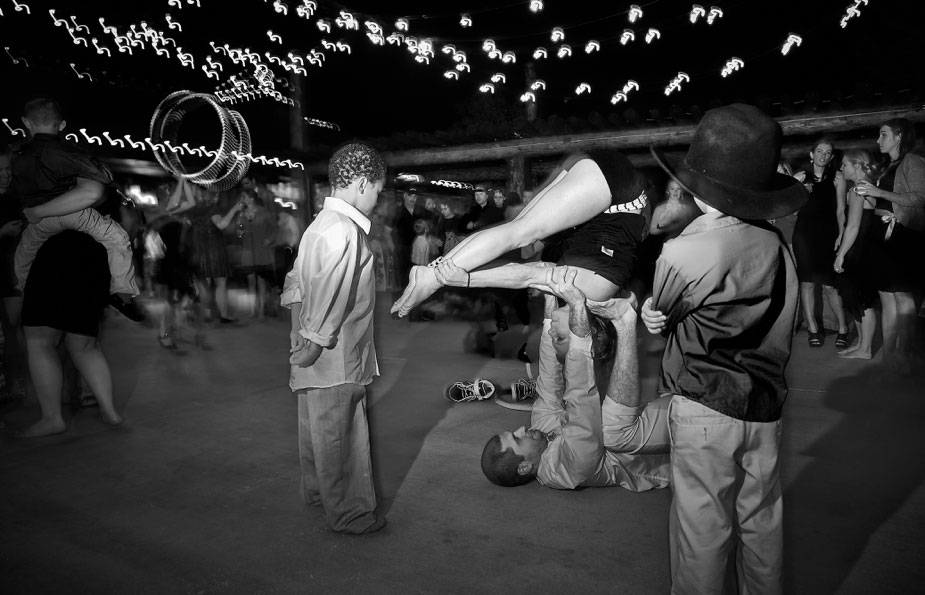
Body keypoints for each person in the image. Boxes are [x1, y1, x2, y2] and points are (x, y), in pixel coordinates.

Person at [643, 103, 805, 594]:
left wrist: (654, 314)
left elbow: (666, 312)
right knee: (762, 522)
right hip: (765, 405)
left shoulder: (685, 248)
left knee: (702, 531)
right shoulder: (776, 242)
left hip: (702, 404)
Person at [479, 266, 670, 490]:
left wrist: (550, 295)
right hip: (681, 450)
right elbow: (582, 403)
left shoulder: (540, 431)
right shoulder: (566, 471)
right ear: (524, 467)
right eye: (518, 439)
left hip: (649, 415)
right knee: (612, 432)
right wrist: (577, 307)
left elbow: (549, 381)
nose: (521, 429)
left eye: (514, 432)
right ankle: (624, 320)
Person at [395, 151, 650, 315]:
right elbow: (527, 275)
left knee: (518, 226)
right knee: (520, 232)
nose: (556, 331)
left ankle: (432, 271)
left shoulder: (590, 281)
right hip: (617, 187)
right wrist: (465, 280)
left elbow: (536, 271)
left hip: (600, 177)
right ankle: (432, 279)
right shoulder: (596, 291)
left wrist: (453, 274)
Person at [280, 142, 387, 535]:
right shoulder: (344, 231)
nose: (378, 197)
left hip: (316, 347)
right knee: (340, 431)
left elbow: (296, 281)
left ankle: (318, 492)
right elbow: (326, 291)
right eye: (378, 188)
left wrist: (299, 333)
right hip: (334, 351)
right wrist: (311, 340)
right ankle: (350, 512)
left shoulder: (318, 226)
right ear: (361, 183)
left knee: (316, 427)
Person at [10, 98, 143, 323]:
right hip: (74, 213)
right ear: (61, 125)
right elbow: (103, 177)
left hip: (37, 219)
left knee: (24, 251)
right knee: (117, 238)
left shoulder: (18, 155)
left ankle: (23, 290)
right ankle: (121, 292)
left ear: (26, 122)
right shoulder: (65, 151)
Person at [16, 230, 124, 437]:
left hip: (56, 251)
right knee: (85, 346)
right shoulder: (110, 202)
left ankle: (52, 418)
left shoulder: (52, 201)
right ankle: (110, 411)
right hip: (96, 254)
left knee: (40, 340)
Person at [855, 118, 925, 373]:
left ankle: (904, 356)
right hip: (885, 235)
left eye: (883, 134)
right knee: (888, 297)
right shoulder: (890, 165)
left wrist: (879, 193)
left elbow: (920, 198)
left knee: (903, 296)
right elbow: (886, 201)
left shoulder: (913, 161)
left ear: (898, 136)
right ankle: (890, 355)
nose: (877, 140)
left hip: (905, 235)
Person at [791, 136, 849, 348]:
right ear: (811, 154)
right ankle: (813, 329)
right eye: (819, 152)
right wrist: (799, 193)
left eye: (827, 153)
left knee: (830, 286)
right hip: (804, 235)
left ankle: (843, 328)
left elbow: (841, 209)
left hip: (828, 234)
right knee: (807, 283)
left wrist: (841, 234)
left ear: (831, 157)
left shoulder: (838, 177)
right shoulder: (799, 177)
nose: (823, 156)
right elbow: (791, 209)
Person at [833, 150, 884, 359]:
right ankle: (862, 345)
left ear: (857, 166)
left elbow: (853, 226)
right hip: (866, 247)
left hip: (859, 249)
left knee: (862, 300)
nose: (842, 168)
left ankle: (865, 348)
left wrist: (840, 255)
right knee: (857, 298)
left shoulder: (858, 190)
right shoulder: (866, 187)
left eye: (845, 165)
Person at [0, 149, 26, 403]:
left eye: (8, 169)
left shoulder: (16, 200)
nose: (5, 175)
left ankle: (15, 380)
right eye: (0, 171)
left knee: (12, 330)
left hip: (12, 275)